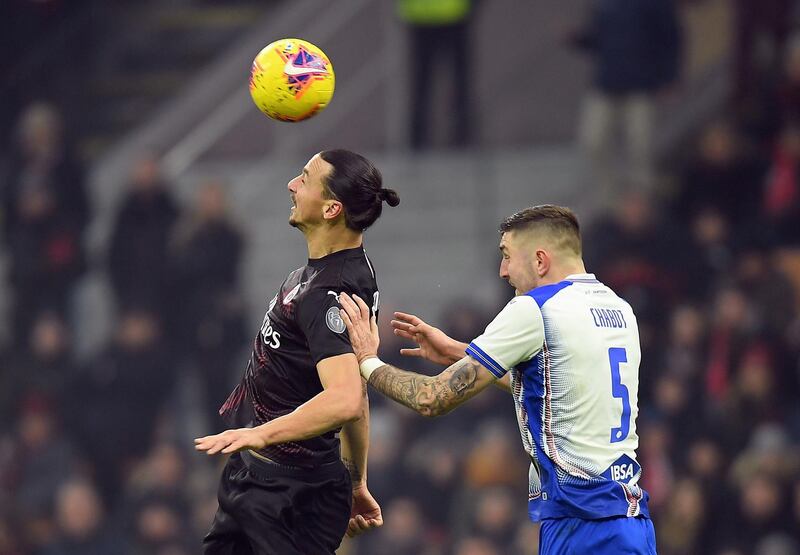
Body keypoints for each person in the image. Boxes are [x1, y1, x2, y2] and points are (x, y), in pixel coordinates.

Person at [338, 205, 656, 553]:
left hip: (582, 525)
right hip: (631, 523)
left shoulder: (536, 308)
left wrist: (367, 360)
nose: (503, 271)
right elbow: (557, 388)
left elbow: (431, 398)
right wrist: (464, 353)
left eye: (506, 256)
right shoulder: (619, 308)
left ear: (539, 260)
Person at [194, 150, 400, 554]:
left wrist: (259, 434)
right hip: (259, 479)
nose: (291, 185)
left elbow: (344, 399)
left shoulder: (328, 293)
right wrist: (356, 481)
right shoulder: (336, 272)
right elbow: (356, 392)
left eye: (304, 179)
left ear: (331, 208)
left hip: (289, 495)